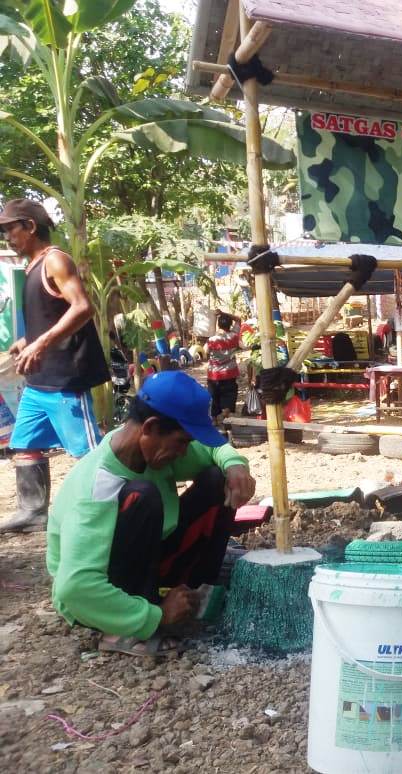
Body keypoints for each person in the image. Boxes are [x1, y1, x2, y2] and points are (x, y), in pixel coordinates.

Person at [46, 370, 256, 657]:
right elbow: (75, 588)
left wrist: (234, 465)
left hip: (148, 558)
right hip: (94, 596)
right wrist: (154, 616)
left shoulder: (149, 448)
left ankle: (195, 593)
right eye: (181, 442)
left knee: (216, 479)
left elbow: (210, 450)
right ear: (150, 427)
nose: (185, 452)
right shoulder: (97, 488)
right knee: (141, 496)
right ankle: (126, 628)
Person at [0, 199, 108, 533]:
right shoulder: (32, 266)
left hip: (65, 377)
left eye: (9, 230)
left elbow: (82, 307)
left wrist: (42, 343)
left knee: (89, 452)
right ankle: (33, 511)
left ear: (30, 227)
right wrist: (26, 340)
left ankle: (110, 508)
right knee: (25, 443)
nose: (7, 238)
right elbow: (51, 315)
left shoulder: (55, 261)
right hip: (38, 383)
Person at [206, 311, 241, 418]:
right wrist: (223, 313)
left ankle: (214, 419)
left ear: (218, 325)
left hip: (214, 375)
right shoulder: (234, 336)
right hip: (230, 373)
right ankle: (226, 412)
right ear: (230, 324)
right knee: (229, 394)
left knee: (214, 396)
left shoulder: (211, 340)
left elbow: (205, 353)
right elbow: (238, 319)